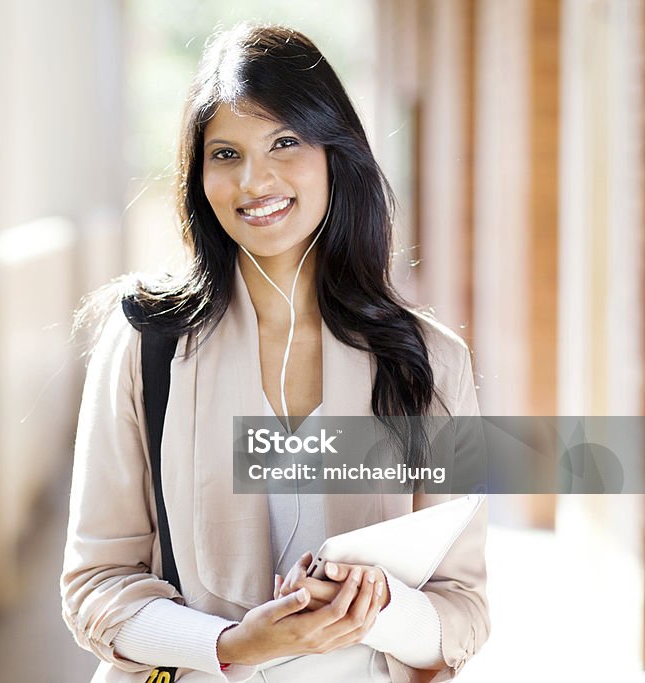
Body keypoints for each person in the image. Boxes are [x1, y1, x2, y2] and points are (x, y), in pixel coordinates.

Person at [61, 23, 488, 683]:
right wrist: (232, 642)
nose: (254, 181)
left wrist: (373, 608)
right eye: (225, 154)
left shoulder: (429, 361)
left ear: (333, 151)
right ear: (199, 174)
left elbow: (462, 607)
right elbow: (95, 584)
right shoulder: (146, 340)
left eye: (284, 142)